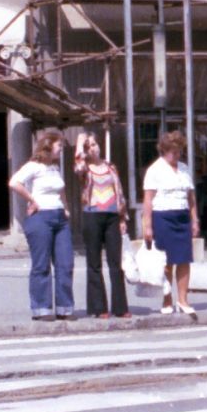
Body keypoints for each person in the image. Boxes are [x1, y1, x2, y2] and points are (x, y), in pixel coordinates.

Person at [10, 129, 75, 321]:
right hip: (41, 216)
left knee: (65, 263)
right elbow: (14, 183)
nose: (61, 149)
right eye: (59, 145)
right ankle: (41, 308)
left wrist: (66, 208)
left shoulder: (54, 167)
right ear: (48, 146)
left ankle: (64, 307)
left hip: (59, 217)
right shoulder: (34, 166)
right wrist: (32, 200)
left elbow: (61, 190)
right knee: (41, 264)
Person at [141, 130, 200, 315]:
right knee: (166, 261)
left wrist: (194, 220)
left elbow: (191, 197)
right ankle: (167, 300)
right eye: (173, 151)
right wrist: (147, 226)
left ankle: (183, 300)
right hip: (163, 217)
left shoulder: (184, 168)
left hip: (182, 216)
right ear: (164, 150)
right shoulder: (154, 170)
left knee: (184, 259)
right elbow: (148, 200)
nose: (177, 155)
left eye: (179, 151)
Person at [76, 131, 130, 318]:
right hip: (92, 215)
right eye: (88, 146)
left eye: (94, 144)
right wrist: (80, 143)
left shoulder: (110, 167)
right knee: (94, 262)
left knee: (115, 262)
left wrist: (122, 218)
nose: (92, 148)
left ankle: (120, 307)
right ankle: (98, 308)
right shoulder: (85, 168)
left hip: (112, 216)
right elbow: (78, 167)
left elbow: (119, 192)